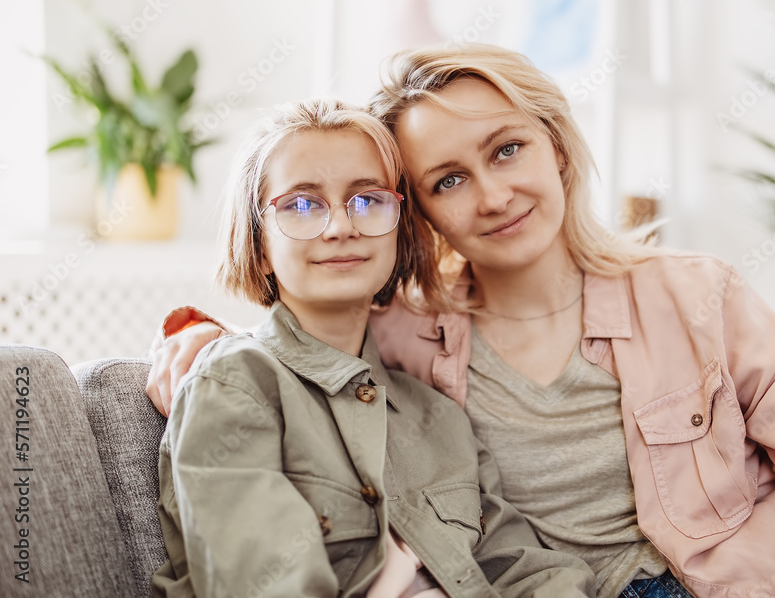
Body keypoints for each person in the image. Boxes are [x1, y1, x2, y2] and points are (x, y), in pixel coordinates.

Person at [149, 46, 775, 598]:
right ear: (423, 218)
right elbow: (305, 324)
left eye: (507, 149)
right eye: (446, 180)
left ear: (555, 145)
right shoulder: (410, 344)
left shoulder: (696, 292)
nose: (491, 194)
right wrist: (204, 337)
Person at [149, 98, 596, 598]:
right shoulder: (236, 385)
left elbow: (529, 569)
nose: (342, 227)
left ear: (399, 232)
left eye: (367, 200)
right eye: (301, 204)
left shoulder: (438, 414)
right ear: (259, 246)